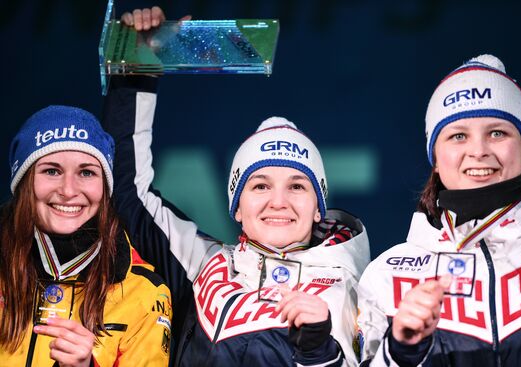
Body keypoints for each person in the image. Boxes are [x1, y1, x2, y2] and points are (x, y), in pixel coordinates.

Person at [101, 8, 371, 367]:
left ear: (319, 207)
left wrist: (321, 352)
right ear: (236, 207)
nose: (279, 201)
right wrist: (136, 69)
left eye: (297, 186)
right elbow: (127, 194)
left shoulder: (357, 285)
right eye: (259, 186)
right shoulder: (202, 262)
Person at [357, 54, 521, 366]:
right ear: (435, 159)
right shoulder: (388, 274)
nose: (478, 151)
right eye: (458, 136)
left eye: (497, 132)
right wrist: (400, 351)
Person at [0, 105, 172, 366]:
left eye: (86, 172)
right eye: (52, 171)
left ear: (104, 187)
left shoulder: (144, 291)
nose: (68, 190)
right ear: (24, 181)